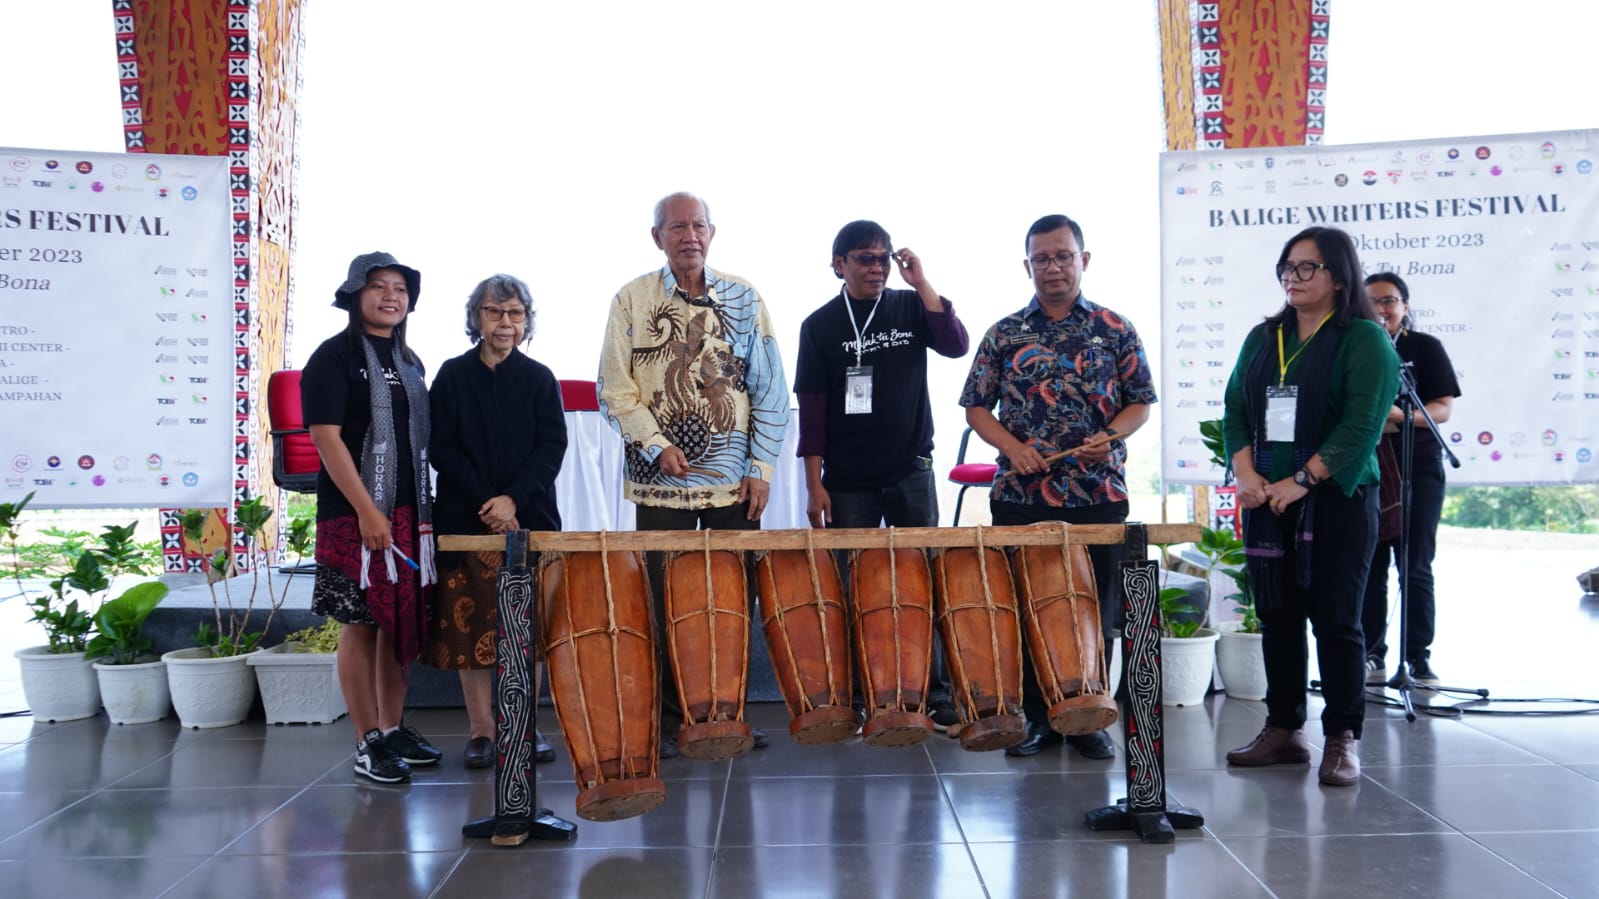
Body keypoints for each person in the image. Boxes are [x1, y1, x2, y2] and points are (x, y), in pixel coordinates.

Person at [597, 192, 788, 758]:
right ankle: (670, 720)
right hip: (660, 481)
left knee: (732, 602)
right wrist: (656, 446)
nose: (689, 236)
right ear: (657, 236)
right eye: (676, 227)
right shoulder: (632, 299)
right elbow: (614, 388)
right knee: (659, 602)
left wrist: (760, 467)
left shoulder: (743, 298)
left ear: (712, 232)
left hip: (734, 484)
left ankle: (728, 715)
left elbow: (770, 386)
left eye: (698, 226)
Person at [958, 214, 1156, 760]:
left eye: (1063, 256)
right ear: (1028, 266)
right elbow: (977, 405)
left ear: (1083, 260)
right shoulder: (1004, 333)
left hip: (1098, 494)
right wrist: (1011, 448)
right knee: (1029, 609)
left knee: (1096, 609)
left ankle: (1090, 716)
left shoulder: (1115, 327)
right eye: (1042, 258)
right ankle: (1039, 717)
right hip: (1023, 500)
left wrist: (1110, 435)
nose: (1053, 267)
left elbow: (1140, 400)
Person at [1222, 226, 1399, 787]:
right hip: (1267, 497)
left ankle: (1343, 736)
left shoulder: (1364, 339)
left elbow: (1362, 425)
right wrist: (1248, 474)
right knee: (1277, 614)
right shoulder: (1263, 336)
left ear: (1338, 276)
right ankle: (1284, 730)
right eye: (1287, 268)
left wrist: (1301, 479)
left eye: (1307, 269)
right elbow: (1234, 408)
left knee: (1338, 621)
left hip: (1336, 498)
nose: (1293, 279)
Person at [794, 220, 970, 729]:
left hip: (911, 470)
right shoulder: (820, 325)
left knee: (924, 583)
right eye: (864, 259)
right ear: (839, 265)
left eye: (882, 258)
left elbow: (956, 344)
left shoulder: (912, 306)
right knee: (859, 589)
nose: (875, 267)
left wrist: (920, 282)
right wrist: (814, 483)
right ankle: (864, 694)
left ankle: (934, 693)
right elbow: (812, 410)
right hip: (848, 480)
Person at [303, 252, 443, 784]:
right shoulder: (333, 357)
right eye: (379, 286)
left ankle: (392, 728)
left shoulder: (411, 361)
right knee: (360, 625)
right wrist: (366, 509)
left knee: (396, 622)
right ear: (355, 294)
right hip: (355, 514)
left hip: (410, 512)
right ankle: (365, 742)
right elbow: (325, 436)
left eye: (400, 289)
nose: (391, 296)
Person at [427, 274, 567, 769]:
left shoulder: (539, 378)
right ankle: (483, 730)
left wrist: (512, 499)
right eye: (494, 311)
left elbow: (552, 448)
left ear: (526, 321)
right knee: (473, 630)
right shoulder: (450, 375)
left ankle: (523, 728)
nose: (505, 323)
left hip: (528, 518)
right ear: (476, 317)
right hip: (466, 518)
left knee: (525, 631)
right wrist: (487, 500)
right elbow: (441, 445)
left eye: (515, 313)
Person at [1362, 272, 1459, 685]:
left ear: (1405, 305)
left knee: (1415, 565)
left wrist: (1402, 417)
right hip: (1370, 467)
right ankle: (1370, 652)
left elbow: (1442, 409)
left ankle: (1417, 656)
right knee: (1370, 565)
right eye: (1372, 302)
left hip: (1418, 467)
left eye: (1389, 301)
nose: (1381, 310)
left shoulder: (1425, 347)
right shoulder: (1356, 348)